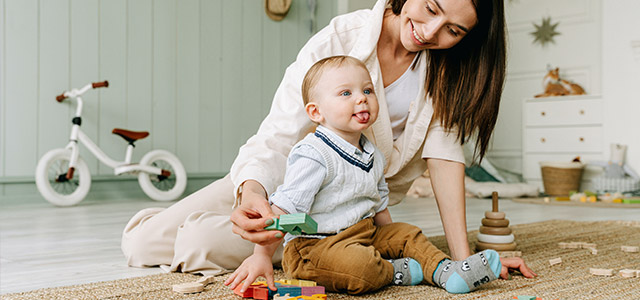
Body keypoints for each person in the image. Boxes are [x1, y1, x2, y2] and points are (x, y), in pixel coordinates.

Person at [121, 0, 536, 280]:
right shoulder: (339, 39)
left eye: (454, 30)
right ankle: (198, 220)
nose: (430, 32)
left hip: (341, 212)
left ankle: (320, 246)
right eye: (430, 9)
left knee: (197, 242)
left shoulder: (448, 72)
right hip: (284, 178)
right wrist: (252, 191)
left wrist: (465, 261)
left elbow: (445, 160)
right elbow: (277, 134)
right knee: (140, 242)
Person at [224, 55, 504, 295]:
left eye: (368, 91)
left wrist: (393, 242)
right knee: (361, 266)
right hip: (314, 249)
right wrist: (260, 255)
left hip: (363, 233)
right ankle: (394, 271)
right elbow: (284, 210)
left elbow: (378, 204)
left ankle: (448, 272)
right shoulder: (314, 154)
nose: (361, 98)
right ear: (316, 112)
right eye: (346, 93)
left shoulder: (372, 152)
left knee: (409, 234)